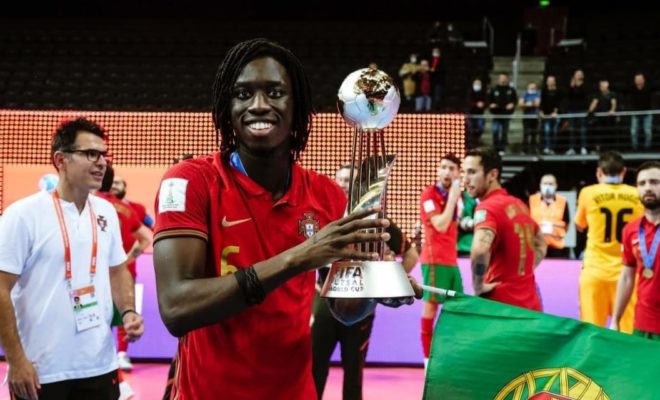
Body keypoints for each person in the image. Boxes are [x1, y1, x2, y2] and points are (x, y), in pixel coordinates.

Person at [152, 38, 419, 400]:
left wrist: (373, 287)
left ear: (297, 108)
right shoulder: (190, 181)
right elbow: (176, 308)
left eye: (275, 93)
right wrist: (299, 257)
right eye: (243, 94)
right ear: (226, 107)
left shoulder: (327, 195)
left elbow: (345, 311)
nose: (259, 105)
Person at [0, 117, 144, 400]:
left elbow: (117, 270)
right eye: (90, 153)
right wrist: (16, 361)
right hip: (42, 370)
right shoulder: (23, 215)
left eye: (103, 154)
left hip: (100, 365)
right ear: (60, 160)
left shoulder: (106, 212)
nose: (101, 162)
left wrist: (128, 311)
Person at [312, 165, 419, 400]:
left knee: (354, 368)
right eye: (339, 180)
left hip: (360, 303)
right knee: (315, 364)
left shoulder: (377, 220)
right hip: (324, 298)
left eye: (349, 181)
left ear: (359, 188)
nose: (343, 185)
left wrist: (387, 281)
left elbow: (411, 254)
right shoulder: (322, 216)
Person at [463, 146, 546, 310]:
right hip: (531, 304)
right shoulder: (520, 205)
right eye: (464, 172)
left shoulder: (487, 209)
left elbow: (480, 250)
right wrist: (522, 272)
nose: (466, 179)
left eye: (472, 172)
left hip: (502, 308)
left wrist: (478, 286)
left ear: (492, 175)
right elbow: (541, 243)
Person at [574, 151, 643, 332]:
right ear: (624, 171)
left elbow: (579, 225)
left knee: (591, 333)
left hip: (595, 272)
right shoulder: (637, 194)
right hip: (628, 274)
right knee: (629, 335)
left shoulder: (588, 193)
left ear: (599, 173)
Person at [98, 166, 152, 371]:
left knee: (122, 314)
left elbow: (152, 229)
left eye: (119, 183)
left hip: (123, 271)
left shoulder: (136, 209)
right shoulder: (122, 208)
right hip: (116, 270)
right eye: (113, 182)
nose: (114, 185)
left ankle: (120, 355)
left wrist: (125, 260)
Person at [418, 154, 462, 365]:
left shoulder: (460, 197)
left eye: (451, 168)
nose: (446, 172)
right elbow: (441, 225)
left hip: (452, 261)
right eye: (443, 167)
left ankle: (448, 358)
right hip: (434, 260)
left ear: (457, 173)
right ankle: (428, 362)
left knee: (457, 309)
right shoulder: (429, 194)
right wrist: (453, 197)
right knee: (430, 308)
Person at [612, 161, 660, 340]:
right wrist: (616, 319)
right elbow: (626, 277)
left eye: (654, 182)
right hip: (642, 324)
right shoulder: (631, 230)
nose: (648, 188)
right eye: (642, 183)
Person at [528, 174, 570, 258]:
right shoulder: (532, 200)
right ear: (540, 185)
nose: (547, 186)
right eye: (545, 184)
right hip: (536, 246)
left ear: (556, 186)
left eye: (550, 184)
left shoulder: (563, 202)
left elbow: (567, 223)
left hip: (556, 248)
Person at [488, 73, 517, 155]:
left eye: (504, 78)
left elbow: (515, 100)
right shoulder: (494, 89)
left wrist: (512, 105)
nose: (503, 79)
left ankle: (502, 149)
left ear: (507, 79)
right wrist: (491, 105)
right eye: (501, 78)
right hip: (497, 114)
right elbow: (489, 100)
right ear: (499, 79)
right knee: (495, 131)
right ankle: (495, 149)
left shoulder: (511, 89)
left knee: (504, 132)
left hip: (506, 115)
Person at [587, 78, 617, 151]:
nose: (601, 87)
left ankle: (610, 149)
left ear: (607, 86)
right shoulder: (598, 95)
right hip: (600, 119)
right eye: (600, 86)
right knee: (599, 134)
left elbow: (614, 104)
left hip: (609, 119)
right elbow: (594, 103)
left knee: (609, 134)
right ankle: (598, 149)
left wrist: (612, 110)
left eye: (602, 86)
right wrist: (590, 110)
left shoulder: (612, 94)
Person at [565, 69, 589, 155]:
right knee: (572, 130)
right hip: (572, 110)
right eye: (576, 74)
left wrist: (578, 86)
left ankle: (583, 147)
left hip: (582, 110)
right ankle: (572, 148)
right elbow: (568, 96)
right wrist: (572, 86)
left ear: (582, 76)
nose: (578, 76)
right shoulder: (571, 85)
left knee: (583, 130)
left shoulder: (585, 85)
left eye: (579, 74)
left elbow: (584, 95)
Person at [629, 73, 653, 151]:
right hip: (635, 112)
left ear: (644, 80)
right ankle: (635, 148)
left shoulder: (649, 87)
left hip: (647, 112)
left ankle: (647, 147)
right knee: (633, 131)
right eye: (637, 79)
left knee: (648, 131)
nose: (638, 81)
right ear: (634, 81)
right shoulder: (632, 88)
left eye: (640, 79)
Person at [539, 75, 561, 154]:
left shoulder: (558, 91)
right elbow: (542, 103)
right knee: (547, 131)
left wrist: (555, 112)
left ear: (554, 82)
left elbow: (558, 103)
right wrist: (541, 112)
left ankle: (553, 148)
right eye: (549, 81)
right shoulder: (544, 91)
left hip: (555, 115)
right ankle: (547, 147)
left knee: (554, 131)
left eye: (552, 81)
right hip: (546, 115)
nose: (550, 82)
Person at [519, 81, 541, 154]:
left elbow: (538, 103)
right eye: (530, 87)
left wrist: (528, 104)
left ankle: (534, 150)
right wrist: (531, 104)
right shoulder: (525, 94)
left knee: (534, 134)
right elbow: (521, 104)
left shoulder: (538, 94)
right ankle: (524, 150)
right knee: (526, 133)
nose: (532, 89)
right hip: (526, 117)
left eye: (533, 87)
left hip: (534, 117)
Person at [466, 78, 487, 149]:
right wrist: (476, 104)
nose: (477, 85)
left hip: (480, 114)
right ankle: (471, 144)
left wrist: (483, 104)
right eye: (476, 83)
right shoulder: (469, 92)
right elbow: (468, 102)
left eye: (479, 84)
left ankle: (477, 142)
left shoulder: (483, 93)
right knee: (470, 129)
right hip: (470, 114)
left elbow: (487, 102)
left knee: (480, 128)